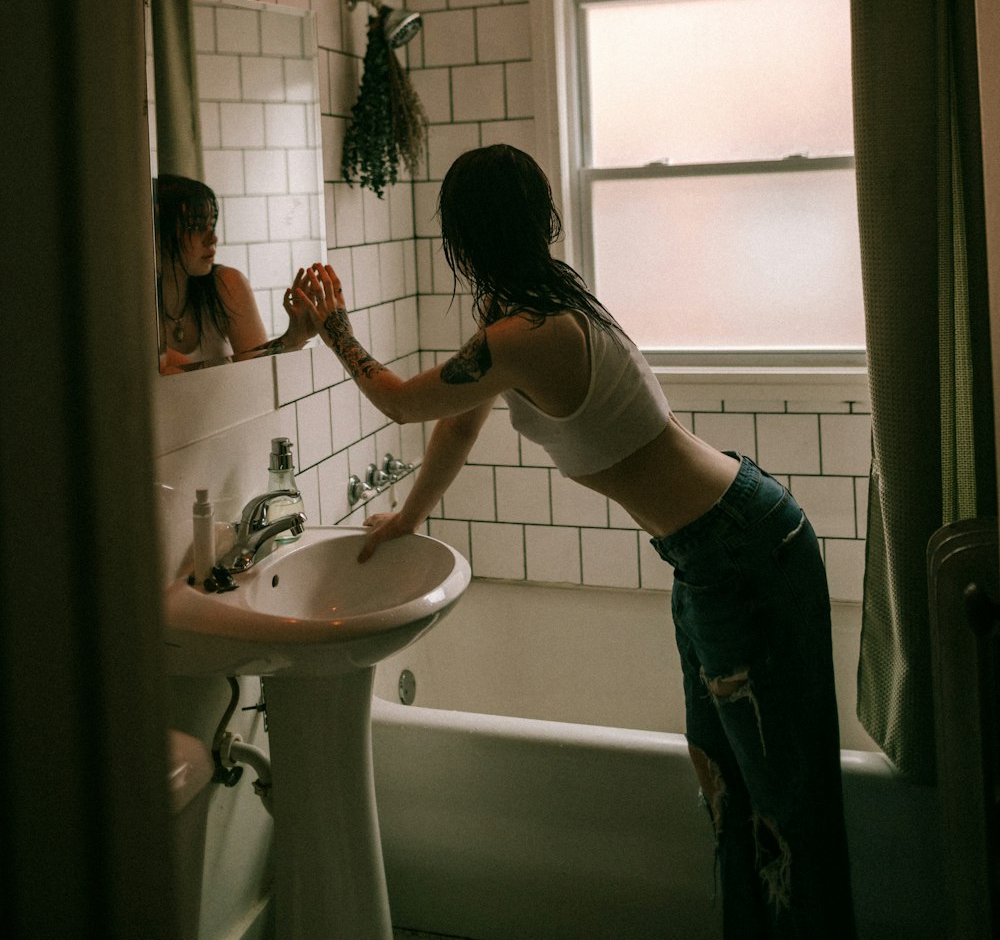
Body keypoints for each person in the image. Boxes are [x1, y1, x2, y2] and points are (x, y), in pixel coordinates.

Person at [292, 144, 857, 938]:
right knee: (731, 794)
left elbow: (399, 402)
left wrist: (335, 327)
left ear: (464, 234)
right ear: (538, 217)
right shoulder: (535, 307)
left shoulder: (530, 328)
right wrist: (411, 515)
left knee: (781, 817)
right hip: (715, 554)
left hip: (743, 553)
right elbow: (457, 422)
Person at [155, 173, 312, 372]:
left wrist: (295, 337)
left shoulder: (227, 284)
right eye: (196, 226)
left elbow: (258, 371)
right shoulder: (134, 310)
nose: (212, 238)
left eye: (211, 225)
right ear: (158, 232)